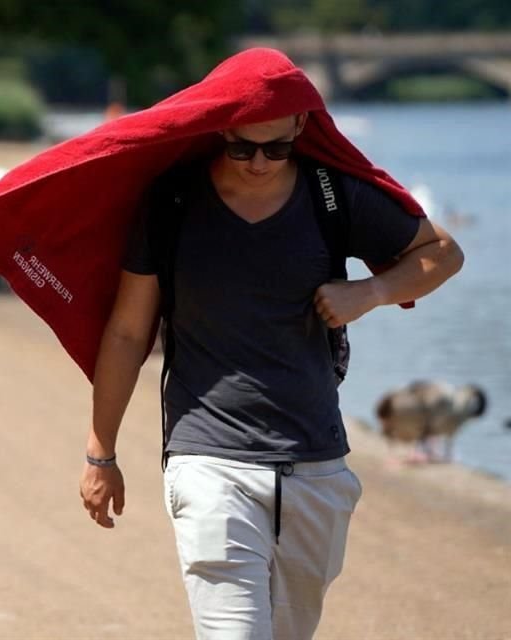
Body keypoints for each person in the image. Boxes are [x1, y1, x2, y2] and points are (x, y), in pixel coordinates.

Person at [76, 54, 465, 639]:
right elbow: (129, 333)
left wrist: (374, 290)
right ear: (222, 130)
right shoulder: (173, 203)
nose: (258, 162)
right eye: (242, 148)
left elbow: (443, 253)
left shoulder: (334, 197)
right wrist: (99, 453)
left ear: (300, 130)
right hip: (208, 462)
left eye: (275, 148)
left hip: (316, 466)